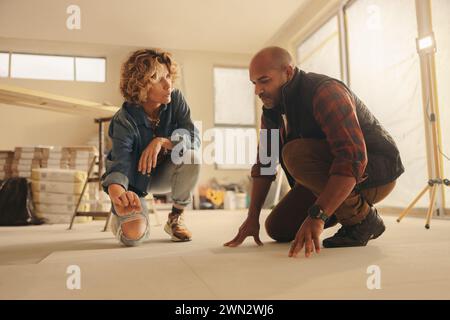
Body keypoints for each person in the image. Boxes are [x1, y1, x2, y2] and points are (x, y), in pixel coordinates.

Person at [224, 46, 404, 258]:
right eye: (254, 83)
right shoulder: (272, 112)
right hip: (329, 177)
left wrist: (317, 216)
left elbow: (352, 158)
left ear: (288, 72)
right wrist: (252, 217)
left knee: (294, 153)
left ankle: (363, 220)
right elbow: (265, 164)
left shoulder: (324, 91)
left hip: (373, 175)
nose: (258, 91)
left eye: (264, 80)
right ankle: (340, 208)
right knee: (277, 228)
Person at [102, 48, 200, 247]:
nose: (168, 84)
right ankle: (121, 221)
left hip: (165, 174)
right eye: (158, 79)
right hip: (135, 181)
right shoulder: (124, 120)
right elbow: (120, 165)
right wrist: (118, 197)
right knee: (133, 238)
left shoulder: (176, 99)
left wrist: (161, 142)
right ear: (141, 85)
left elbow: (193, 137)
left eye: (168, 75)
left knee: (192, 157)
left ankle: (176, 218)